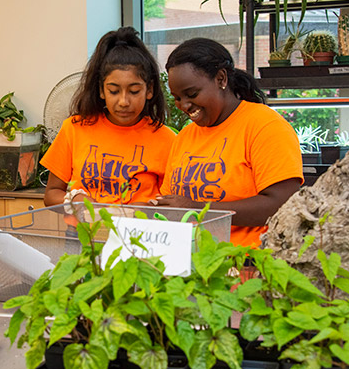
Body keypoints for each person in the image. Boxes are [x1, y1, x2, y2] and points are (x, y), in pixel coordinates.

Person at [155, 38, 303, 248]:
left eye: (192, 94)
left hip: (249, 266)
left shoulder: (264, 126)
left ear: (221, 78)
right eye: (177, 98)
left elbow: (282, 203)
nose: (184, 105)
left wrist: (200, 210)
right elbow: (173, 205)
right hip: (194, 267)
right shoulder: (185, 137)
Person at [41, 26, 175, 207]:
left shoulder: (166, 139)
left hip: (137, 233)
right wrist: (75, 201)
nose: (123, 101)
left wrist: (148, 209)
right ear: (101, 90)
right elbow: (51, 195)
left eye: (134, 91)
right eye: (113, 91)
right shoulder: (74, 129)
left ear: (149, 90)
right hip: (82, 233)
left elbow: (171, 204)